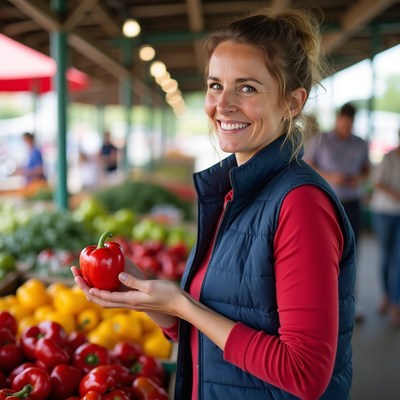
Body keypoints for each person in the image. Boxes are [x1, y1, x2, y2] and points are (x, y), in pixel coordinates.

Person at [72, 8, 356, 400]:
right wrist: (146, 299)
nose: (222, 105)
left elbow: (305, 373)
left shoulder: (300, 204)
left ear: (293, 102)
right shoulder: (234, 193)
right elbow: (210, 338)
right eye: (215, 85)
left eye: (248, 88)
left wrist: (183, 305)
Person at [304, 102, 370, 322]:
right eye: (344, 125)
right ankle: (322, 302)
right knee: (324, 252)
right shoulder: (320, 140)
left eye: (350, 126)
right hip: (327, 203)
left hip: (352, 202)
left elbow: (366, 169)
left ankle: (350, 302)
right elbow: (307, 165)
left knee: (352, 253)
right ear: (338, 119)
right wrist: (333, 177)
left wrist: (358, 179)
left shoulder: (360, 143)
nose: (346, 129)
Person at [369, 128, 400, 327]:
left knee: (398, 259)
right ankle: (386, 295)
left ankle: (396, 304)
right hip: (383, 212)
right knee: (385, 257)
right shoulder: (388, 158)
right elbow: (377, 183)